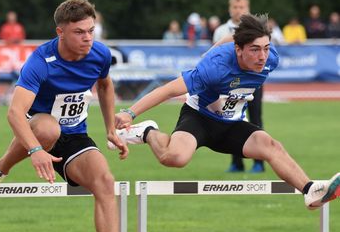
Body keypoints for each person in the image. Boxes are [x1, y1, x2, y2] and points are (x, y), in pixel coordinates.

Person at [0, 0, 140, 232]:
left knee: (105, 181)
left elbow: (106, 86)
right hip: (38, 128)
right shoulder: (41, 61)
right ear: (60, 32)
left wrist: (110, 128)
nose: (87, 38)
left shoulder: (99, 55)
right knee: (50, 128)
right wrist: (36, 151)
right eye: (79, 32)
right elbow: (15, 113)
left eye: (91, 30)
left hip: (75, 135)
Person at [110, 14, 339, 211]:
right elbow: (169, 89)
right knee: (175, 158)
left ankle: (310, 190)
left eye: (266, 48)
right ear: (238, 51)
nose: (262, 57)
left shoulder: (270, 59)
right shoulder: (214, 68)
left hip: (231, 125)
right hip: (199, 118)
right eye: (255, 50)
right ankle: (147, 132)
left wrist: (224, 44)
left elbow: (234, 37)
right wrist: (130, 113)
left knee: (270, 144)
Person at [212, 0, 264, 173]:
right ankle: (237, 163)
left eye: (242, 7)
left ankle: (259, 162)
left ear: (248, 9)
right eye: (235, 7)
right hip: (230, 83)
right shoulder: (221, 31)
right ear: (229, 9)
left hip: (253, 80)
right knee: (231, 120)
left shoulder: (258, 28)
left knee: (255, 119)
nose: (238, 10)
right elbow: (215, 57)